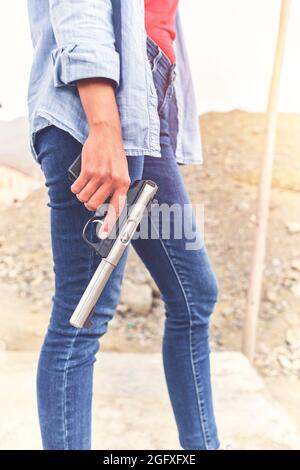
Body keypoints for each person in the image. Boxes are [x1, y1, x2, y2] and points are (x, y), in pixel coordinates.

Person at [27, 0, 221, 450]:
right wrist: (104, 123)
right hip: (97, 113)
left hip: (144, 111)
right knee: (82, 316)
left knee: (196, 294)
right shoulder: (101, 120)